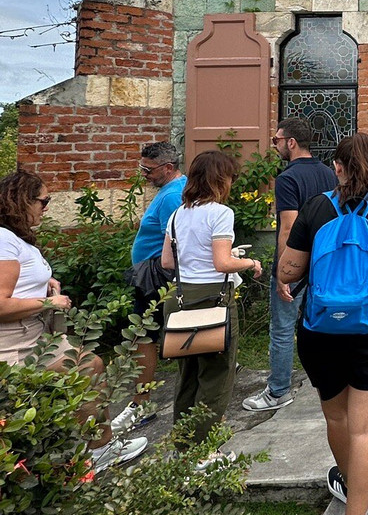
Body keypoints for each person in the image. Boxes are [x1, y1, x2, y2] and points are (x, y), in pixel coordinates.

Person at [278, 133, 368, 515]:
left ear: (337, 168)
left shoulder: (315, 208)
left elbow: (288, 270)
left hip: (321, 328)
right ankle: (357, 508)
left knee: (338, 416)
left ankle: (347, 477)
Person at [0, 170, 148, 469]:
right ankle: (89, 453)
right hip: (16, 342)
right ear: (22, 201)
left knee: (88, 366)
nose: (47, 207)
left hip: (35, 334)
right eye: (44, 200)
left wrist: (47, 282)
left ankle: (94, 446)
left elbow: (19, 279)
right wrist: (48, 301)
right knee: (82, 370)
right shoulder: (4, 239)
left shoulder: (14, 238)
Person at [160, 150, 263, 457]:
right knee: (216, 377)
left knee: (187, 375)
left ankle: (183, 446)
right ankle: (204, 453)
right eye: (230, 177)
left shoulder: (178, 214)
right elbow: (221, 263)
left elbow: (167, 260)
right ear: (221, 179)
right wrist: (249, 263)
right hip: (213, 301)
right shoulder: (220, 213)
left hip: (180, 300)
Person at [243, 117, 336, 412]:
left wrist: (283, 273)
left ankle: (279, 390)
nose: (275, 146)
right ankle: (329, 382)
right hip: (326, 261)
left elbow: (287, 227)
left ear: (291, 142)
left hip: (297, 261)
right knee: (325, 324)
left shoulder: (288, 178)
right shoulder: (329, 174)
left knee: (283, 328)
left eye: (276, 140)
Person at [111, 142, 187, 433]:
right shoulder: (172, 190)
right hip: (153, 272)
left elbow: (180, 239)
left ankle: (140, 405)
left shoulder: (171, 197)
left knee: (144, 335)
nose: (143, 174)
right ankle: (141, 403)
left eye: (148, 169)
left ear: (168, 168)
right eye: (141, 167)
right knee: (147, 335)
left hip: (156, 276)